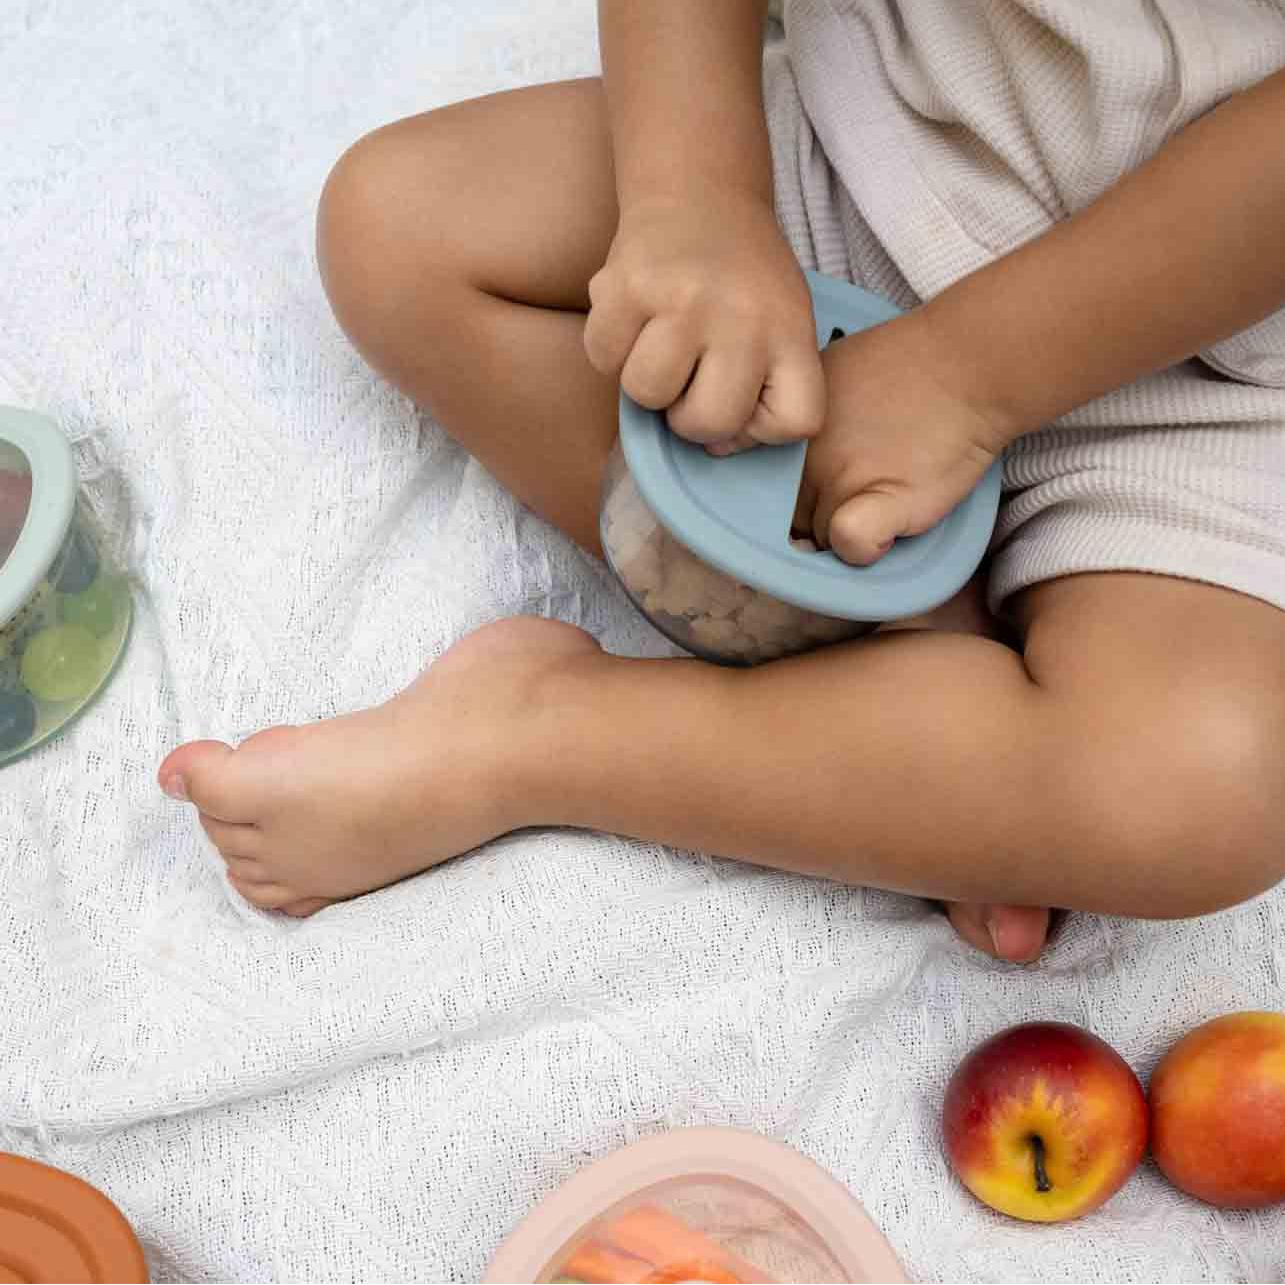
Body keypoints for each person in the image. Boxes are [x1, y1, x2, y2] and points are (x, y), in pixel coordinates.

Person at [158, 1, 1285, 962]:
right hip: (883, 143)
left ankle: (537, 733)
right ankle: (916, 752)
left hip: (1206, 350)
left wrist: (964, 376)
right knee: (396, 220)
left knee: (1197, 792)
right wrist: (694, 200)